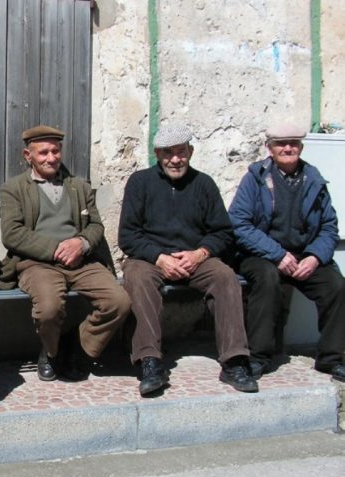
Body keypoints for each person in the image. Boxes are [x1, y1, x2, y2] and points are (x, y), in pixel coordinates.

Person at [118, 123, 257, 396]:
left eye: (181, 152)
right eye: (167, 153)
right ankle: (150, 361)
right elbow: (128, 235)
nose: (175, 159)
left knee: (225, 277)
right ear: (157, 154)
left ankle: (234, 361)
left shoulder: (203, 184)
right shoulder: (140, 182)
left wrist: (200, 253)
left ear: (190, 152)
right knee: (137, 278)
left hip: (195, 258)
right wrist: (159, 258)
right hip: (150, 258)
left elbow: (222, 232)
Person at [0, 125, 131, 381]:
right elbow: (12, 234)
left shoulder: (78, 186)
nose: (51, 158)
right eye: (43, 153)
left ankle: (77, 346)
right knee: (48, 308)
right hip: (37, 264)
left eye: (55, 151)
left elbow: (95, 226)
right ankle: (51, 350)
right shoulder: (14, 188)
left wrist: (80, 244)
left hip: (81, 262)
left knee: (119, 302)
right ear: (28, 155)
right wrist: (56, 249)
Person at [228, 123, 345, 381]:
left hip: (304, 255)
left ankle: (330, 358)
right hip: (260, 254)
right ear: (270, 149)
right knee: (268, 280)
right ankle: (259, 357)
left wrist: (315, 256)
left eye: (293, 143)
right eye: (281, 144)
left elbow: (329, 226)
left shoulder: (313, 179)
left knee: (336, 286)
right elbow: (239, 223)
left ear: (301, 147)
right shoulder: (255, 178)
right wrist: (278, 255)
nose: (288, 148)